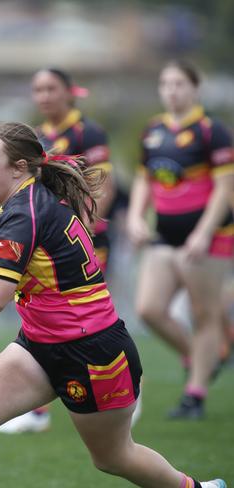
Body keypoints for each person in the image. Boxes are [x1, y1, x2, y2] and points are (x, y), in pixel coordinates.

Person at [0, 122, 226, 488]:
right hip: (40, 344)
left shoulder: (23, 212)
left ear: (18, 168)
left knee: (114, 457)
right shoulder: (20, 203)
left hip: (92, 352)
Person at [0, 67, 118, 434]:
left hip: (81, 242)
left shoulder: (88, 132)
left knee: (90, 318)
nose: (44, 96)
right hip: (46, 245)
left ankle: (123, 385)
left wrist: (84, 231)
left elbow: (103, 186)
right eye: (38, 89)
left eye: (51, 88)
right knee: (42, 314)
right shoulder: (38, 137)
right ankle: (37, 412)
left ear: (70, 92)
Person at [127, 60, 234, 419]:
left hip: (210, 237)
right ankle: (201, 356)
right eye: (165, 83)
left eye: (179, 84)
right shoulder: (153, 130)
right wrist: (135, 216)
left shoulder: (211, 131)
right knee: (149, 309)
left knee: (204, 313)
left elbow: (224, 188)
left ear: (194, 88)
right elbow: (145, 179)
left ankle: (195, 394)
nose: (172, 90)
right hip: (165, 234)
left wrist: (204, 233)